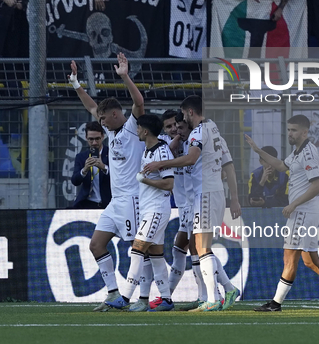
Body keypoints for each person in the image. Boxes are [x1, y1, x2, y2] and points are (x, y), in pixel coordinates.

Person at [245, 115, 319, 312]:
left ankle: (275, 304)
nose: (290, 133)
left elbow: (317, 186)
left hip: (303, 212)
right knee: (310, 259)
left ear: (305, 132)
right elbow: (281, 166)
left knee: (289, 258)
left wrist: (293, 205)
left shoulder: (309, 153)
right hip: (304, 213)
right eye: (288, 129)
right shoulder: (298, 152)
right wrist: (257, 150)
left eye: (294, 130)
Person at [143, 95, 242, 312]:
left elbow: (191, 159)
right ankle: (215, 293)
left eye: (180, 121)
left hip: (204, 194)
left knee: (201, 248)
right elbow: (226, 164)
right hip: (206, 194)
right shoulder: (213, 127)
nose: (177, 128)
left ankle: (213, 298)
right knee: (197, 246)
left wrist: (161, 163)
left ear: (189, 112)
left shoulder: (197, 132)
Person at [68, 52, 145, 312]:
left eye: (103, 118)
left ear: (115, 114)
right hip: (115, 202)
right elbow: (91, 106)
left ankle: (143, 298)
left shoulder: (133, 127)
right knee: (96, 244)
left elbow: (138, 102)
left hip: (133, 198)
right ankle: (113, 293)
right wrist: (76, 85)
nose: (100, 123)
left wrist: (125, 76)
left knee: (138, 248)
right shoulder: (110, 131)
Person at [106, 114, 176, 312]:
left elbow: (169, 184)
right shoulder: (148, 150)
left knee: (137, 249)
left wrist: (146, 181)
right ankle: (166, 299)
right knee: (156, 254)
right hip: (148, 208)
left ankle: (125, 296)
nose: (136, 131)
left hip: (156, 209)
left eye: (138, 128)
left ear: (145, 130)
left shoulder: (161, 151)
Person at [71, 121, 112, 210]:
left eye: (97, 139)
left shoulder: (111, 154)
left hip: (109, 203)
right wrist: (84, 170)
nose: (94, 143)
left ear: (103, 136)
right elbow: (75, 181)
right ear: (86, 138)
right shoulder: (81, 157)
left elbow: (120, 176)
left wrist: (104, 167)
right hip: (87, 203)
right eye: (91, 139)